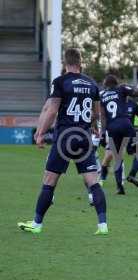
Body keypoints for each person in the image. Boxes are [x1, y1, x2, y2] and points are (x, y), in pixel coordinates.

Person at [18, 48, 109, 235]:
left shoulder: (60, 82)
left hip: (65, 138)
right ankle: (102, 225)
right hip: (84, 138)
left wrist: (40, 133)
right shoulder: (92, 84)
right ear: (80, 62)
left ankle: (37, 224)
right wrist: (94, 127)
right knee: (93, 182)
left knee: (49, 181)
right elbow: (97, 113)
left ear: (64, 62)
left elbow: (51, 110)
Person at [99, 74, 138, 195]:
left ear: (106, 84)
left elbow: (102, 116)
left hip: (111, 128)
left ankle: (119, 188)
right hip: (125, 124)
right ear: (115, 83)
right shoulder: (121, 88)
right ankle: (132, 175)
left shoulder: (102, 95)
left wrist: (103, 133)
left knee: (117, 157)